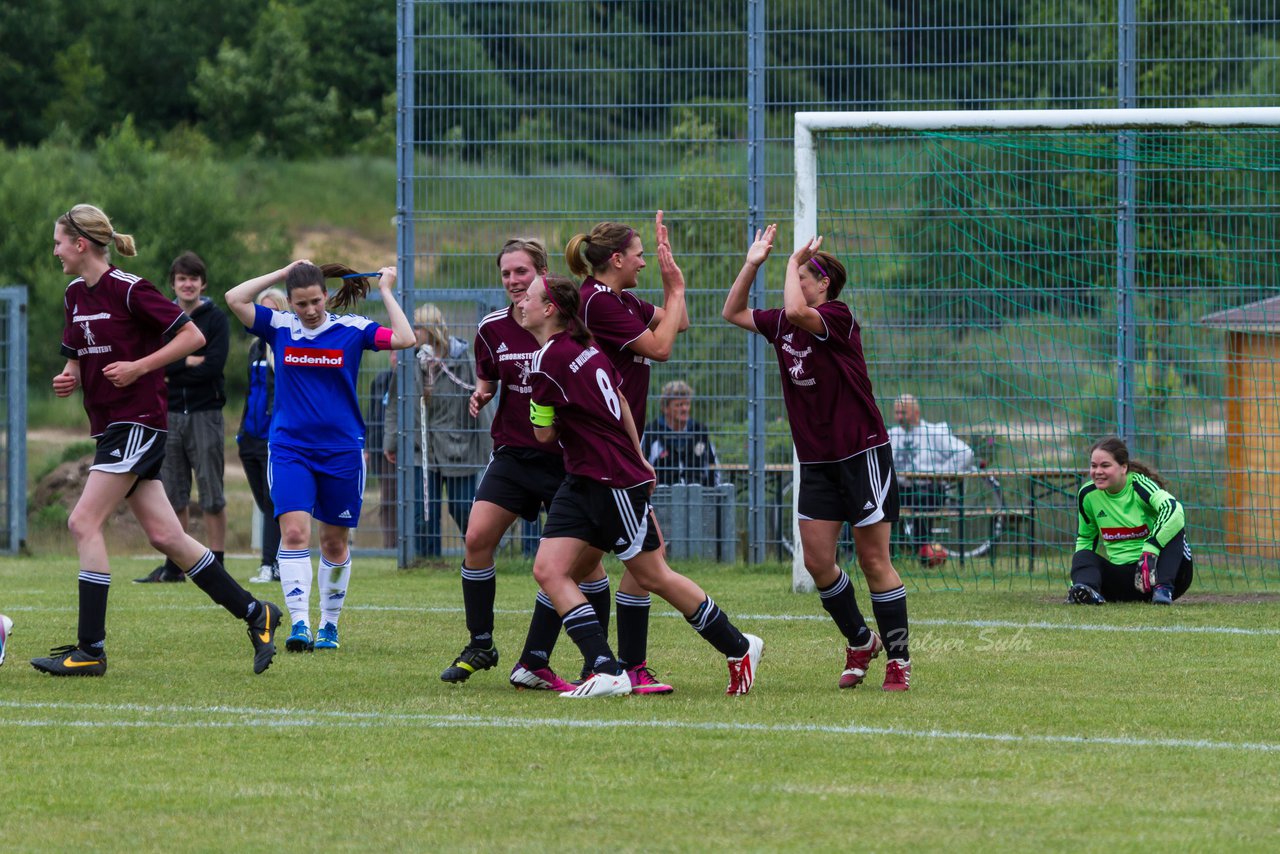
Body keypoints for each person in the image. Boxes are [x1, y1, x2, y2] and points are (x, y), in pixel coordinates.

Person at [32, 204, 281, 677]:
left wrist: (141, 367)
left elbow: (191, 338)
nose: (55, 250)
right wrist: (69, 376)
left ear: (81, 244)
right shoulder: (73, 295)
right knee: (167, 536)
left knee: (83, 521)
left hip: (138, 421)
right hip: (111, 425)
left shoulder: (130, 289)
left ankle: (90, 649)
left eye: (59, 241)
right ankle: (256, 613)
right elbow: (75, 354)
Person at [521, 274, 763, 698]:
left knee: (653, 575)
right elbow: (623, 403)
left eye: (530, 297)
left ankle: (739, 646)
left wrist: (629, 460)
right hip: (584, 479)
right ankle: (605, 667)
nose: (520, 302)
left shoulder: (547, 361)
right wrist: (640, 455)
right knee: (549, 569)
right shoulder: (587, 348)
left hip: (611, 480)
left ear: (549, 310)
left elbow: (542, 435)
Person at [722, 225, 913, 691]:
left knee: (873, 560)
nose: (798, 281)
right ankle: (860, 641)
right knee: (818, 561)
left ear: (823, 283)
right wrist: (753, 263)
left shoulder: (838, 316)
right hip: (818, 461)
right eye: (797, 274)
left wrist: (789, 260)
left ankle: (899, 660)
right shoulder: (784, 323)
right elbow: (732, 312)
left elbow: (794, 308)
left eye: (805, 275)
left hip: (861, 453)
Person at [442, 238, 611, 693]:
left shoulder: (565, 323)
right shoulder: (491, 328)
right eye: (506, 274)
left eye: (522, 272)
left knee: (582, 566)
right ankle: (481, 644)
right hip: (514, 453)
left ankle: (594, 662)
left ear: (542, 273)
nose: (513, 281)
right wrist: (482, 393)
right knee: (476, 537)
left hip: (567, 461)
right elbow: (490, 377)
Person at [225, 259, 415, 653]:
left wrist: (385, 290)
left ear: (326, 296)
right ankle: (299, 624)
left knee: (333, 543)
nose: (310, 310)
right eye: (300, 303)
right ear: (290, 303)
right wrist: (281, 272)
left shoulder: (352, 329)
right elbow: (234, 297)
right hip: (291, 448)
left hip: (342, 451)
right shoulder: (278, 327)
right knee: (295, 533)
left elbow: (405, 337)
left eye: (315, 301)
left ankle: (329, 625)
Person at [562, 212, 689, 692]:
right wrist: (674, 291)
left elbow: (681, 323)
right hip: (608, 451)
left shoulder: (624, 299)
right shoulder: (597, 304)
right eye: (639, 255)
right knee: (624, 565)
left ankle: (592, 663)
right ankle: (615, 665)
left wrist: (673, 285)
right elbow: (661, 348)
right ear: (616, 259)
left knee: (586, 566)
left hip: (618, 453)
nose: (643, 262)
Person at [135, 252, 230, 584]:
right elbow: (154, 363)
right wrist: (185, 361)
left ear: (202, 283)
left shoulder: (216, 319)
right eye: (181, 279)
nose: (187, 284)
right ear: (173, 283)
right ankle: (174, 567)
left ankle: (216, 565)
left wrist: (176, 367)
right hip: (169, 414)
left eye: (193, 278)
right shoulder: (163, 317)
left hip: (207, 414)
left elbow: (213, 367)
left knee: (211, 493)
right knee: (174, 492)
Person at [384, 304, 491, 558]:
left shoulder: (462, 359)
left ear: (430, 329)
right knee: (423, 514)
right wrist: (391, 442)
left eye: (417, 327)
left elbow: (482, 400)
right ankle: (427, 561)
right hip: (422, 450)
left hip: (459, 449)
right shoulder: (408, 362)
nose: (413, 331)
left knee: (463, 508)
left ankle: (480, 555)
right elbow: (394, 405)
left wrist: (491, 444)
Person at [1067, 436, 1193, 606]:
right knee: (1082, 556)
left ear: (1123, 468)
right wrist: (1080, 577)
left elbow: (1174, 509)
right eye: (1093, 466)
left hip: (1161, 573)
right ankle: (1087, 592)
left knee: (1174, 526)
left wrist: (1152, 547)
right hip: (1127, 581)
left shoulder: (1139, 485)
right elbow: (1086, 539)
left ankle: (1163, 589)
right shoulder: (1087, 495)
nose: (1097, 471)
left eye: (1105, 465)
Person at [887, 392, 975, 562]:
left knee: (925, 498)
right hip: (899, 491)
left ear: (916, 412)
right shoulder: (891, 435)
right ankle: (885, 553)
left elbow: (966, 453)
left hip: (927, 491)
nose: (899, 417)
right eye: (896, 412)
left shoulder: (933, 433)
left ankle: (923, 551)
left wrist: (940, 473)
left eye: (903, 412)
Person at [239, 288, 287, 584]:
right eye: (261, 311)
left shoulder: (284, 347)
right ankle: (277, 560)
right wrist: (242, 431)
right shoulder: (255, 347)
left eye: (271, 311)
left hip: (274, 438)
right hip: (250, 438)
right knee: (265, 503)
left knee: (273, 502)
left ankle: (271, 564)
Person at [641, 379, 721, 487]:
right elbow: (641, 468)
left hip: (698, 496)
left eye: (687, 404)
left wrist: (711, 495)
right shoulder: (652, 433)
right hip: (661, 496)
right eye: (679, 405)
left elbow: (713, 467)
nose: (685, 409)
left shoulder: (699, 431)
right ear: (665, 408)